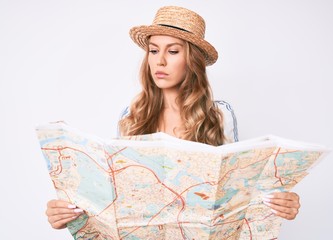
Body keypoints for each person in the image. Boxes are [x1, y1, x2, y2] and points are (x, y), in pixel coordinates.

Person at [46, 5, 301, 231]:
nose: (161, 61)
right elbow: (117, 202)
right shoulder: (131, 116)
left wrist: (278, 203)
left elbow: (237, 196)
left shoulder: (219, 114)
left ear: (192, 60)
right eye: (154, 51)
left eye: (174, 51)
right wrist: (69, 213)